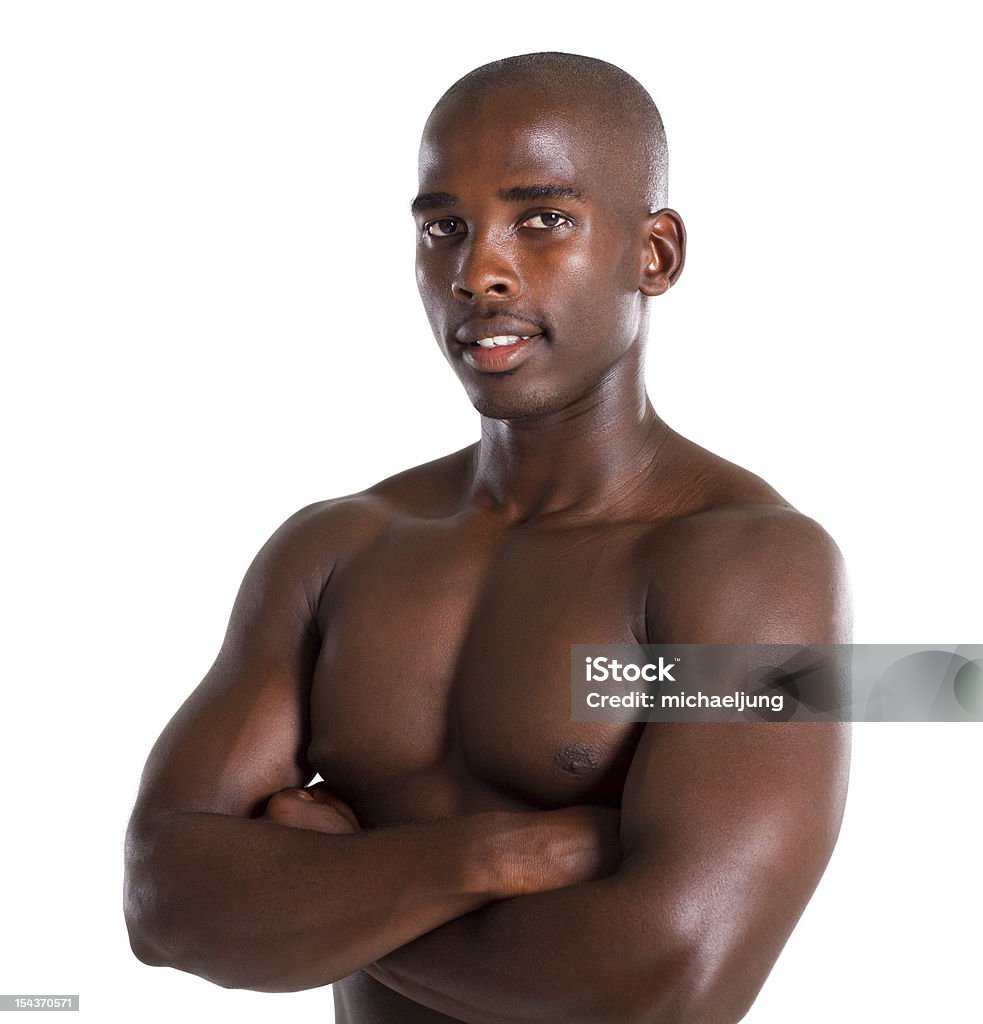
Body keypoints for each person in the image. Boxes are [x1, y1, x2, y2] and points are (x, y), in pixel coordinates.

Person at [124, 51, 850, 1023]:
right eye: (443, 228)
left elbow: (670, 979)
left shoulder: (751, 566)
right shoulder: (335, 547)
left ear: (655, 254)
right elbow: (163, 900)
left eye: (541, 218)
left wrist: (321, 887)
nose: (477, 273)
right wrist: (502, 855)